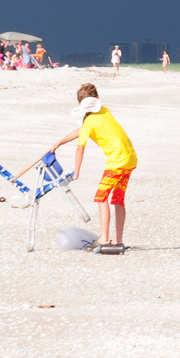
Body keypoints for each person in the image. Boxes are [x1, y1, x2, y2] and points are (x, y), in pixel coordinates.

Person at [43, 84, 137, 249]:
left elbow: (80, 148)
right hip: (130, 158)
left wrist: (76, 172)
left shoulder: (89, 120)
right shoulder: (104, 110)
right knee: (118, 199)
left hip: (117, 161)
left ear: (80, 105)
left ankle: (104, 239)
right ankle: (118, 240)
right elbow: (82, 130)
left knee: (101, 197)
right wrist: (59, 142)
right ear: (97, 100)